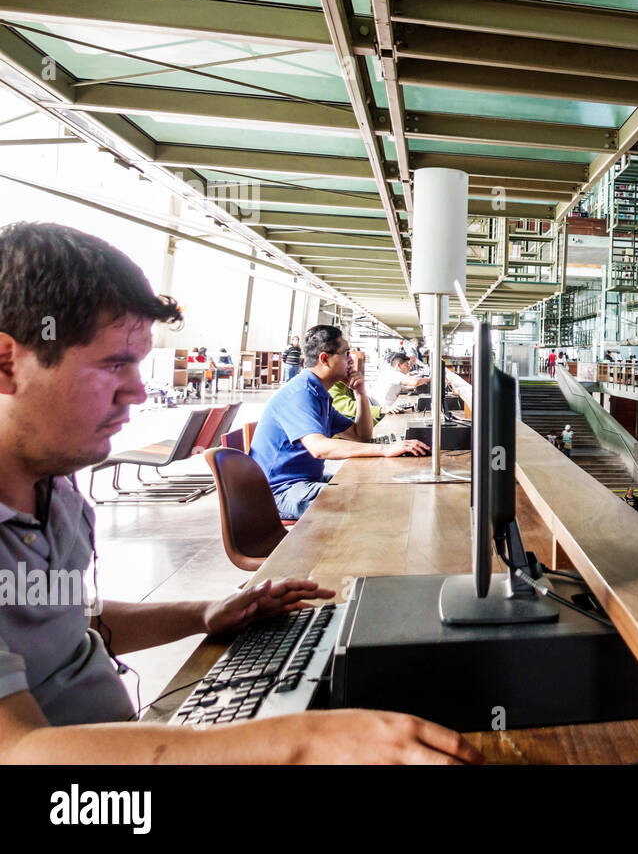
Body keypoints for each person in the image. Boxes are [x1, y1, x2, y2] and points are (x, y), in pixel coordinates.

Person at [0, 222, 480, 765]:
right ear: (6, 363)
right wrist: (298, 743)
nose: (137, 392)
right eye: (114, 365)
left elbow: (72, 622)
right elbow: (18, 750)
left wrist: (206, 613)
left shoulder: (56, 492)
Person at [252, 325, 428, 520]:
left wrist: (360, 393)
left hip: (305, 482)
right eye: (346, 353)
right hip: (280, 492)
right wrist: (384, 449)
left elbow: (361, 436)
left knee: (374, 485)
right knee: (367, 501)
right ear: (324, 359)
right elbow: (319, 448)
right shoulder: (300, 394)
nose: (351, 360)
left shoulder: (320, 395)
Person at [328, 353, 383, 427]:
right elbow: (349, 406)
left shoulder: (343, 384)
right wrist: (380, 410)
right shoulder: (329, 387)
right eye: (345, 354)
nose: (351, 360)